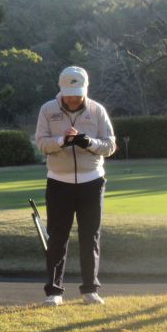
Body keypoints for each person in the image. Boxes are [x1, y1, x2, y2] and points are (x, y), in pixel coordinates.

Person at [35, 66, 116, 306]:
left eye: (77, 94)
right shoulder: (48, 110)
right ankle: (54, 291)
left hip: (92, 181)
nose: (73, 99)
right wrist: (62, 141)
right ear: (61, 90)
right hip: (59, 181)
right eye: (69, 94)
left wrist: (87, 142)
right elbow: (41, 142)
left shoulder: (97, 110)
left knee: (90, 235)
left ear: (85, 90)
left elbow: (110, 145)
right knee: (57, 237)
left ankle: (90, 289)